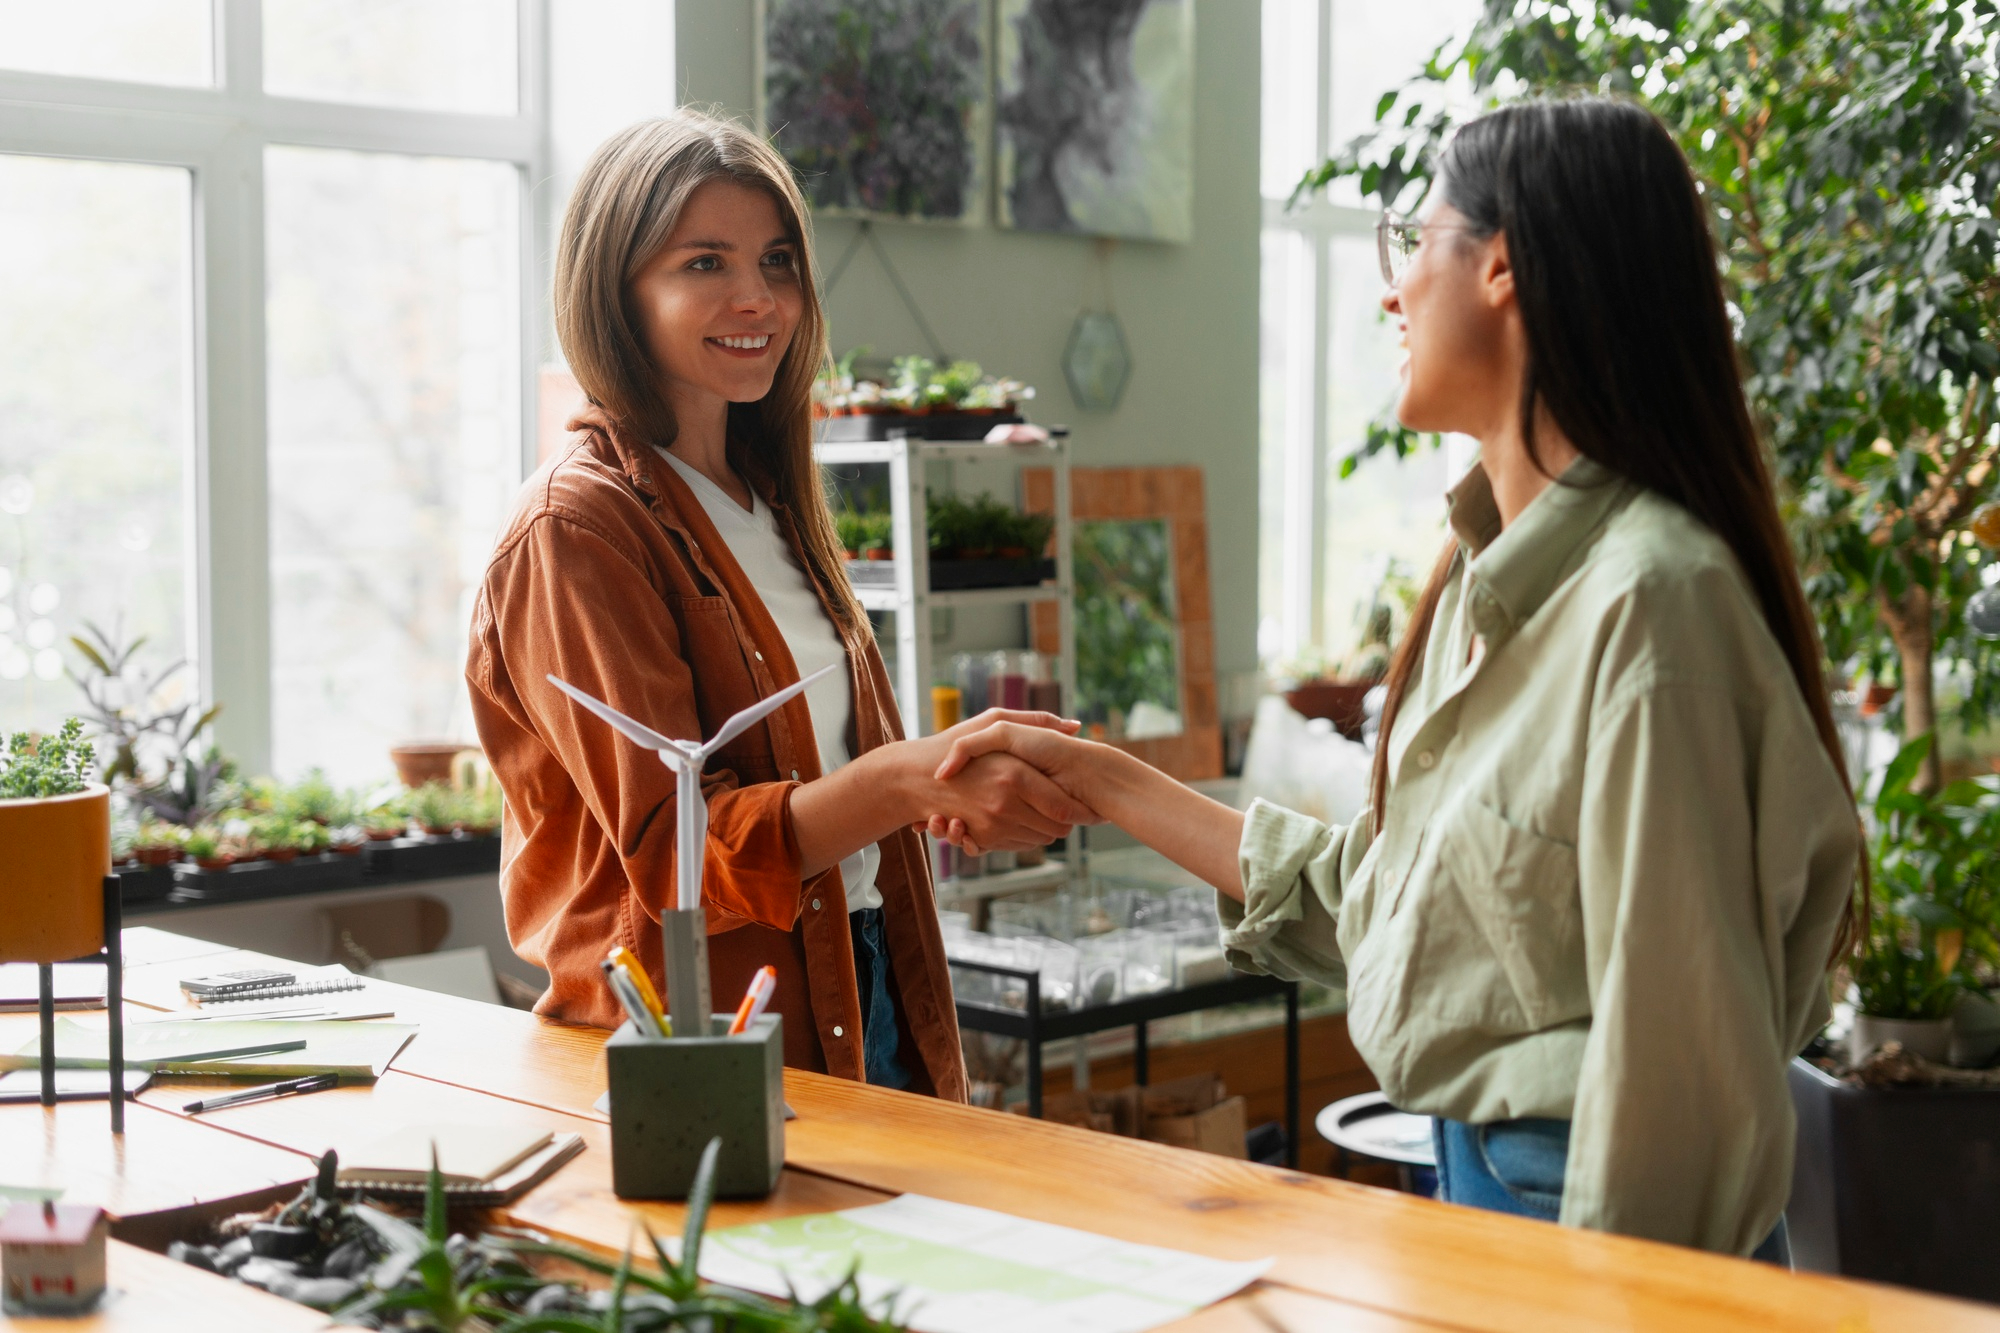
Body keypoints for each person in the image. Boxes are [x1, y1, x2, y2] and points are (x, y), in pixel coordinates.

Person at [925, 97, 1863, 1256]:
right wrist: (1100, 780)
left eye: (1412, 242)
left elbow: (1682, 1066)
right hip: (1490, 1183)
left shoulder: (1650, 604)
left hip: (1596, 1222)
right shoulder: (1483, 575)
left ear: (1501, 266)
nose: (1391, 291)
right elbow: (1384, 905)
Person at [466, 111, 1094, 1099]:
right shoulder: (575, 527)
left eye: (777, 261)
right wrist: (903, 783)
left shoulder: (771, 500)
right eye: (703, 263)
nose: (757, 297)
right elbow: (679, 854)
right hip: (696, 1050)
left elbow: (824, 783)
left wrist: (942, 795)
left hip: (867, 979)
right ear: (615, 290)